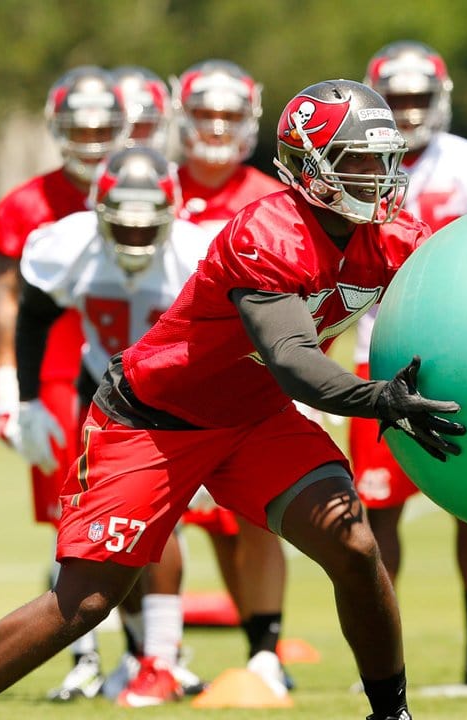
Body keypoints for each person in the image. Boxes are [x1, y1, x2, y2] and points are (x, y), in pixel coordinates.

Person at [0, 78, 458, 720]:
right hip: (154, 422)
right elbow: (296, 363)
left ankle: (392, 715)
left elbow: (459, 290)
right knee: (84, 602)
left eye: (382, 158)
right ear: (310, 167)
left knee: (352, 542)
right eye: (356, 159)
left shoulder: (394, 237)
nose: (377, 174)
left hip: (251, 417)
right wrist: (382, 400)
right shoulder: (269, 233)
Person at [9, 145, 209, 707]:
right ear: (99, 212)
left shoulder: (197, 252)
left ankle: (162, 659)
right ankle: (132, 656)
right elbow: (34, 313)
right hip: (100, 392)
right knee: (93, 528)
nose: (137, 241)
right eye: (123, 227)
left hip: (174, 398)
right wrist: (25, 399)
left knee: (161, 525)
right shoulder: (67, 246)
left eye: (148, 231)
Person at [355, 39, 467, 687]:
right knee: (375, 513)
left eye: (420, 98)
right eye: (398, 99)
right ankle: (385, 658)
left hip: (466, 359)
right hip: (379, 356)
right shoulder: (354, 163)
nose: (411, 111)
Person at [0, 64, 129, 702]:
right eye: (80, 125)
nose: (93, 137)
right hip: (51, 376)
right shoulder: (26, 205)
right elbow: (10, 300)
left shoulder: (149, 189)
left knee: (138, 517)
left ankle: (153, 655)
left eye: (104, 125)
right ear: (57, 128)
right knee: (69, 520)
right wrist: (5, 387)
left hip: (130, 374)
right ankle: (88, 655)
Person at [168, 57, 299, 691]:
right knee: (191, 527)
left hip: (254, 381)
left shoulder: (269, 197)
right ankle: (158, 654)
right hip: (175, 382)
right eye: (205, 113)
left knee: (257, 517)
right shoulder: (155, 190)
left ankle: (265, 651)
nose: (217, 127)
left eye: (228, 114)